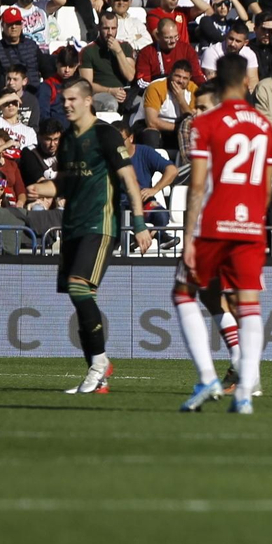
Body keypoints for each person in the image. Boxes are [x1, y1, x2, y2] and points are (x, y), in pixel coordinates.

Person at [175, 54, 272, 413]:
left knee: (184, 293)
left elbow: (197, 186)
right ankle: (246, 388)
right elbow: (267, 186)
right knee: (248, 304)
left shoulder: (208, 123)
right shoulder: (264, 125)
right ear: (247, 81)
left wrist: (189, 236)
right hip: (251, 225)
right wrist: (254, 221)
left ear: (219, 82)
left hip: (215, 222)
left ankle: (207, 376)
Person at [56, 78, 154, 394]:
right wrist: (39, 189)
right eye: (63, 99)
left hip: (100, 225)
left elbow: (128, 180)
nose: (66, 104)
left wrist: (139, 224)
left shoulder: (106, 134)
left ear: (87, 100)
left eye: (72, 98)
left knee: (78, 286)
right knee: (80, 296)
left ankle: (100, 364)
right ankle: (98, 376)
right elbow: (63, 185)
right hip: (72, 225)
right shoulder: (67, 139)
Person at [79, 11, 139, 115]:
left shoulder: (125, 47)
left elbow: (130, 76)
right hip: (100, 94)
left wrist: (118, 51)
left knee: (141, 104)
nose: (110, 32)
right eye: (106, 28)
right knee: (110, 104)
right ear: (99, 28)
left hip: (125, 93)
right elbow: (86, 85)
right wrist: (110, 91)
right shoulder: (88, 51)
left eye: (113, 28)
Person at [141, 62, 196, 152]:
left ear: (189, 79)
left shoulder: (193, 89)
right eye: (177, 76)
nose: (181, 81)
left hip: (178, 130)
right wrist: (180, 128)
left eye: (185, 78)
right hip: (150, 126)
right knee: (151, 134)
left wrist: (181, 100)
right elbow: (151, 122)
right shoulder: (156, 87)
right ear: (171, 74)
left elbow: (191, 120)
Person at [135, 19, 203, 91]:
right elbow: (143, 82)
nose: (173, 41)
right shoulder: (147, 52)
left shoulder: (187, 50)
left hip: (184, 90)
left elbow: (197, 75)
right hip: (156, 92)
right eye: (168, 38)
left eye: (176, 36)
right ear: (158, 36)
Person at [199, 21, 259, 85]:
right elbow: (212, 81)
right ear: (226, 36)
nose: (233, 44)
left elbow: (253, 80)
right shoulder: (212, 52)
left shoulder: (249, 54)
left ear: (245, 43)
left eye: (238, 41)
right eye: (231, 39)